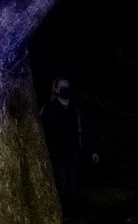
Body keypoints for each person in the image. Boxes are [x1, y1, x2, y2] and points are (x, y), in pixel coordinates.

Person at [39, 78, 96, 211]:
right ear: (56, 89)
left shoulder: (76, 109)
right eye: (62, 87)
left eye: (67, 86)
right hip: (56, 154)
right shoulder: (49, 108)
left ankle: (68, 212)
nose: (66, 89)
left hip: (73, 153)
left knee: (72, 185)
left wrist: (93, 150)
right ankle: (58, 211)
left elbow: (86, 129)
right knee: (60, 182)